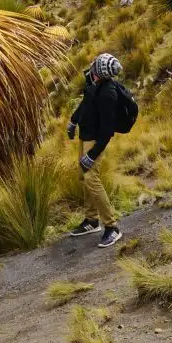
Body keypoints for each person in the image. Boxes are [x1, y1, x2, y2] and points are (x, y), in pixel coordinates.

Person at [67, 53, 123, 248]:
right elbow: (86, 103)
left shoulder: (108, 94)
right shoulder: (94, 83)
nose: (91, 66)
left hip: (95, 141)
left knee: (92, 178)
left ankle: (112, 227)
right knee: (84, 177)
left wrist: (92, 154)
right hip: (85, 136)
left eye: (95, 66)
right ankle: (91, 221)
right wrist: (74, 120)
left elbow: (107, 131)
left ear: (100, 71)